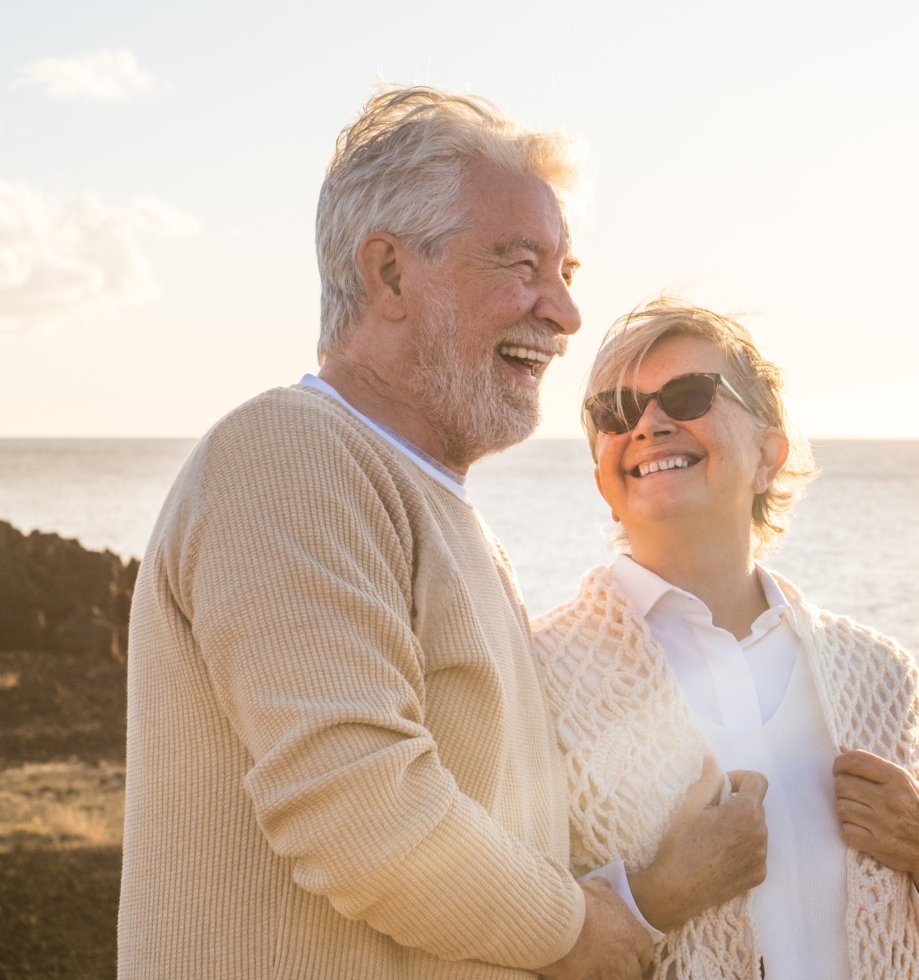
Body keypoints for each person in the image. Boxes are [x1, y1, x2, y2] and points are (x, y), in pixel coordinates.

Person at [118, 86, 655, 979]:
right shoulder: (289, 453)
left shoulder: (441, 508)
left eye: (567, 273)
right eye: (521, 264)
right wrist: (577, 928)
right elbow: (363, 815)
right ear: (391, 274)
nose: (563, 312)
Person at [531, 299, 919, 979]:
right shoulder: (538, 674)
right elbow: (502, 946)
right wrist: (656, 895)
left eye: (688, 393)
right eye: (614, 412)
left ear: (769, 453)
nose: (648, 424)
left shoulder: (877, 675)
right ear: (603, 477)